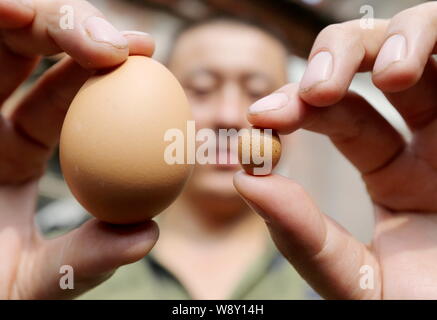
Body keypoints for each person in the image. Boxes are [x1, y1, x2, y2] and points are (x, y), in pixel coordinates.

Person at [0, 0, 436, 300]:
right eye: (201, 88)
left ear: (296, 120)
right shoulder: (46, 261)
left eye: (257, 90)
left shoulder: (358, 279)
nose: (229, 115)